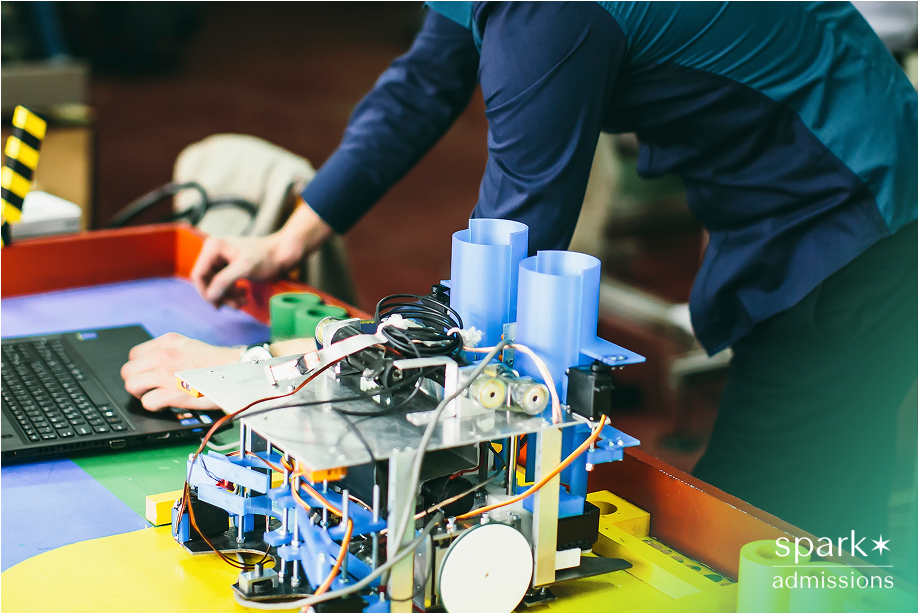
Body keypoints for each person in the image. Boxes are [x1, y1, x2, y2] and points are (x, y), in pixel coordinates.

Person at [122, 2, 917, 544]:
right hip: (814, 187)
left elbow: (491, 284)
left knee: (749, 532)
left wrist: (252, 375)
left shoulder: (549, 15)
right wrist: (286, 237)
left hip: (855, 218)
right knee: (811, 493)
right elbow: (421, 85)